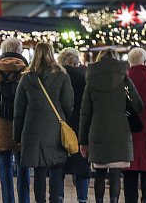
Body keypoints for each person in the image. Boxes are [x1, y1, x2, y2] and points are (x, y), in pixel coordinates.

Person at [14, 42, 74, 203]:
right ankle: (55, 199)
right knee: (56, 167)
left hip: (32, 128)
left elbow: (19, 109)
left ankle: (40, 200)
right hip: (55, 127)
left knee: (39, 170)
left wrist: (17, 135)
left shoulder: (27, 77)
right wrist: (64, 118)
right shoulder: (62, 75)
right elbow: (68, 103)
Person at [80, 48, 141, 203]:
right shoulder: (124, 80)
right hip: (120, 132)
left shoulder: (91, 81)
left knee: (99, 173)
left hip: (97, 131)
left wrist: (83, 141)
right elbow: (137, 104)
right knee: (115, 173)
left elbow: (85, 113)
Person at [0, 38, 31, 203]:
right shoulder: (27, 71)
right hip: (22, 127)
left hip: (1, 126)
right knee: (23, 167)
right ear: (19, 51)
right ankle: (24, 200)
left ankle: (8, 200)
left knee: (5, 168)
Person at [122, 47, 146, 203]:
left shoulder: (123, 79)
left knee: (129, 171)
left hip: (128, 130)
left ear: (129, 62)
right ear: (145, 61)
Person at [58, 48, 90, 203]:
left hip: (59, 127)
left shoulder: (55, 76)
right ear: (75, 61)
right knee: (81, 167)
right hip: (79, 126)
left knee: (59, 167)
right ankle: (82, 198)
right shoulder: (83, 77)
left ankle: (59, 197)